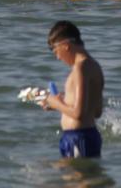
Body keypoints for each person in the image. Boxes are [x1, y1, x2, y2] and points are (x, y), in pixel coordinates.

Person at [41, 21, 104, 159]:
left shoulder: (80, 68)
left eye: (55, 51)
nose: (57, 57)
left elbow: (78, 114)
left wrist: (54, 102)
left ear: (66, 46)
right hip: (85, 136)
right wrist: (63, 101)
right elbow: (97, 112)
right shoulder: (95, 66)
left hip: (78, 138)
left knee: (76, 179)